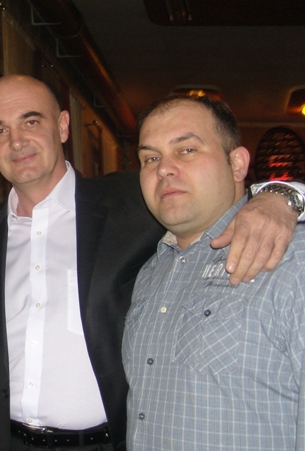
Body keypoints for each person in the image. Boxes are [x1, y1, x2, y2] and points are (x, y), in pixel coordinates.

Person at [0, 75, 303, 451]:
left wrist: (281, 196)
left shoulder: (139, 199)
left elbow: (209, 192)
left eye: (31, 121)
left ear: (63, 126)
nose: (17, 141)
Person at [123, 95, 305, 449]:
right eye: (151, 158)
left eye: (187, 150)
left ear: (237, 164)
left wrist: (287, 196)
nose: (164, 169)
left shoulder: (291, 258)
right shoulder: (149, 272)